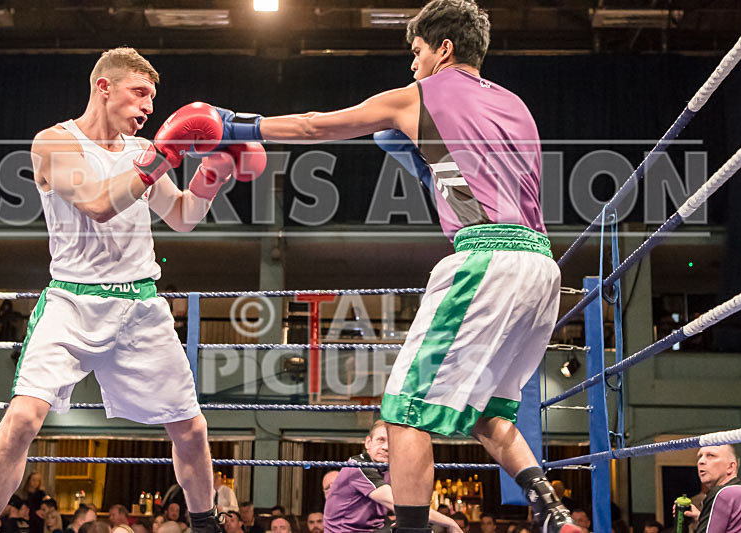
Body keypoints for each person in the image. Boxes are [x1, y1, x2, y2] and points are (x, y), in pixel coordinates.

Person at [206, 1, 574, 531]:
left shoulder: (420, 94)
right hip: (542, 268)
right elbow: (498, 184)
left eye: (417, 51)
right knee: (490, 413)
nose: (413, 63)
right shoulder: (518, 105)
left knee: (402, 410)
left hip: (487, 257)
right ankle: (553, 510)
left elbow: (316, 127)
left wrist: (238, 126)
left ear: (443, 48)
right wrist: (430, 173)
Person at [0, 47, 232, 533]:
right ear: (104, 87)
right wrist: (159, 160)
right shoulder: (55, 142)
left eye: (154, 98)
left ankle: (206, 523)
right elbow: (96, 202)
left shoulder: (142, 151)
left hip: (140, 303)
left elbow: (183, 216)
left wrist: (217, 173)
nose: (150, 107)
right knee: (23, 419)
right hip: (72, 300)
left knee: (191, 429)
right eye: (140, 93)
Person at [323, 420, 460, 533]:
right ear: (368, 443)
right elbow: (403, 506)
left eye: (392, 442)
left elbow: (414, 502)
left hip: (375, 530)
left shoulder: (393, 468)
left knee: (423, 528)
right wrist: (450, 522)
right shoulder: (357, 466)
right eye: (381, 440)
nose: (386, 447)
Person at [682, 444, 741, 532]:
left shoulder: (721, 494)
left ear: (730, 466)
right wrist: (700, 518)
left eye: (711, 455)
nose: (701, 461)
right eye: (700, 456)